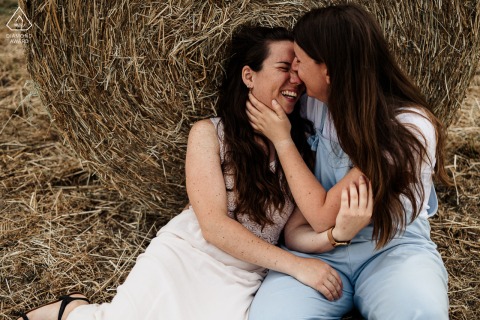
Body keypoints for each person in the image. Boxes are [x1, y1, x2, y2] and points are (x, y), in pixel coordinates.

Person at [16, 25, 372, 320]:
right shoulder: (209, 133)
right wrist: (297, 267)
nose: (295, 79)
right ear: (249, 75)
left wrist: (334, 236)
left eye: (298, 69)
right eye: (284, 67)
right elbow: (214, 227)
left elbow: (295, 232)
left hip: (243, 274)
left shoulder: (299, 150)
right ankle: (70, 310)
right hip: (188, 255)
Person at [246, 4, 450, 320]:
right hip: (318, 250)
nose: (295, 71)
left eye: (300, 60)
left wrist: (282, 140)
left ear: (329, 70)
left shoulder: (409, 128)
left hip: (391, 247)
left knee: (419, 313)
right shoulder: (315, 104)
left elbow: (322, 215)